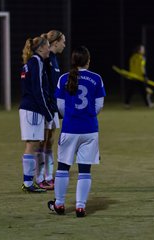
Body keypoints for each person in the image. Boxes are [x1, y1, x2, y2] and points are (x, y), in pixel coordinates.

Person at [47, 46, 106, 217]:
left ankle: (59, 204)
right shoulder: (97, 78)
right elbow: (99, 105)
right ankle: (80, 207)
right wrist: (87, 116)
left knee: (63, 168)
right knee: (85, 170)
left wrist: (72, 116)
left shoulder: (64, 78)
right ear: (88, 61)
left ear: (73, 61)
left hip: (70, 129)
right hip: (90, 129)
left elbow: (60, 106)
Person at [19, 36, 54, 193]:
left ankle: (28, 182)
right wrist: (47, 112)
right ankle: (28, 184)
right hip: (33, 109)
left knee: (31, 145)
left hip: (28, 108)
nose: (49, 49)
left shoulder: (30, 63)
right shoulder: (37, 62)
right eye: (47, 46)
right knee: (32, 145)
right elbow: (38, 89)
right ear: (40, 48)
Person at [35, 30, 66, 190]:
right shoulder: (45, 60)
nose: (64, 45)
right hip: (46, 106)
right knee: (42, 141)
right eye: (63, 42)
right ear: (55, 43)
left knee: (50, 141)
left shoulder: (53, 59)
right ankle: (40, 177)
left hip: (54, 106)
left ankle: (48, 176)